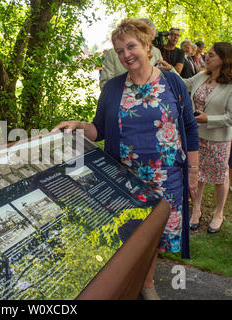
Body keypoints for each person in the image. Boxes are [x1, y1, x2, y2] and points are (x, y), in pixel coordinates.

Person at [53, 19, 199, 300]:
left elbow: (190, 128)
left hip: (166, 177)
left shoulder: (173, 83)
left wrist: (193, 171)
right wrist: (77, 124)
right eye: (119, 51)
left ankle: (145, 284)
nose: (125, 55)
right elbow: (98, 130)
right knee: (127, 236)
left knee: (154, 237)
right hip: (124, 178)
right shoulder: (113, 88)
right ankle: (128, 285)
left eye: (131, 46)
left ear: (146, 45)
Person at [185, 42, 232, 233]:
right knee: (199, 175)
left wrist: (208, 119)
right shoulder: (202, 75)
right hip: (196, 137)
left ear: (223, 59)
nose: (206, 57)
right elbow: (185, 83)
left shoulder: (230, 85)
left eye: (211, 55)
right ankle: (196, 210)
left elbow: (230, 116)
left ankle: (219, 213)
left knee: (220, 177)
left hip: (219, 140)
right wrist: (167, 68)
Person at [99, 18, 171, 90]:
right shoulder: (112, 54)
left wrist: (170, 69)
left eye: (152, 39)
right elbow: (105, 85)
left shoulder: (156, 52)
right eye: (147, 37)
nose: (150, 42)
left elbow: (166, 79)